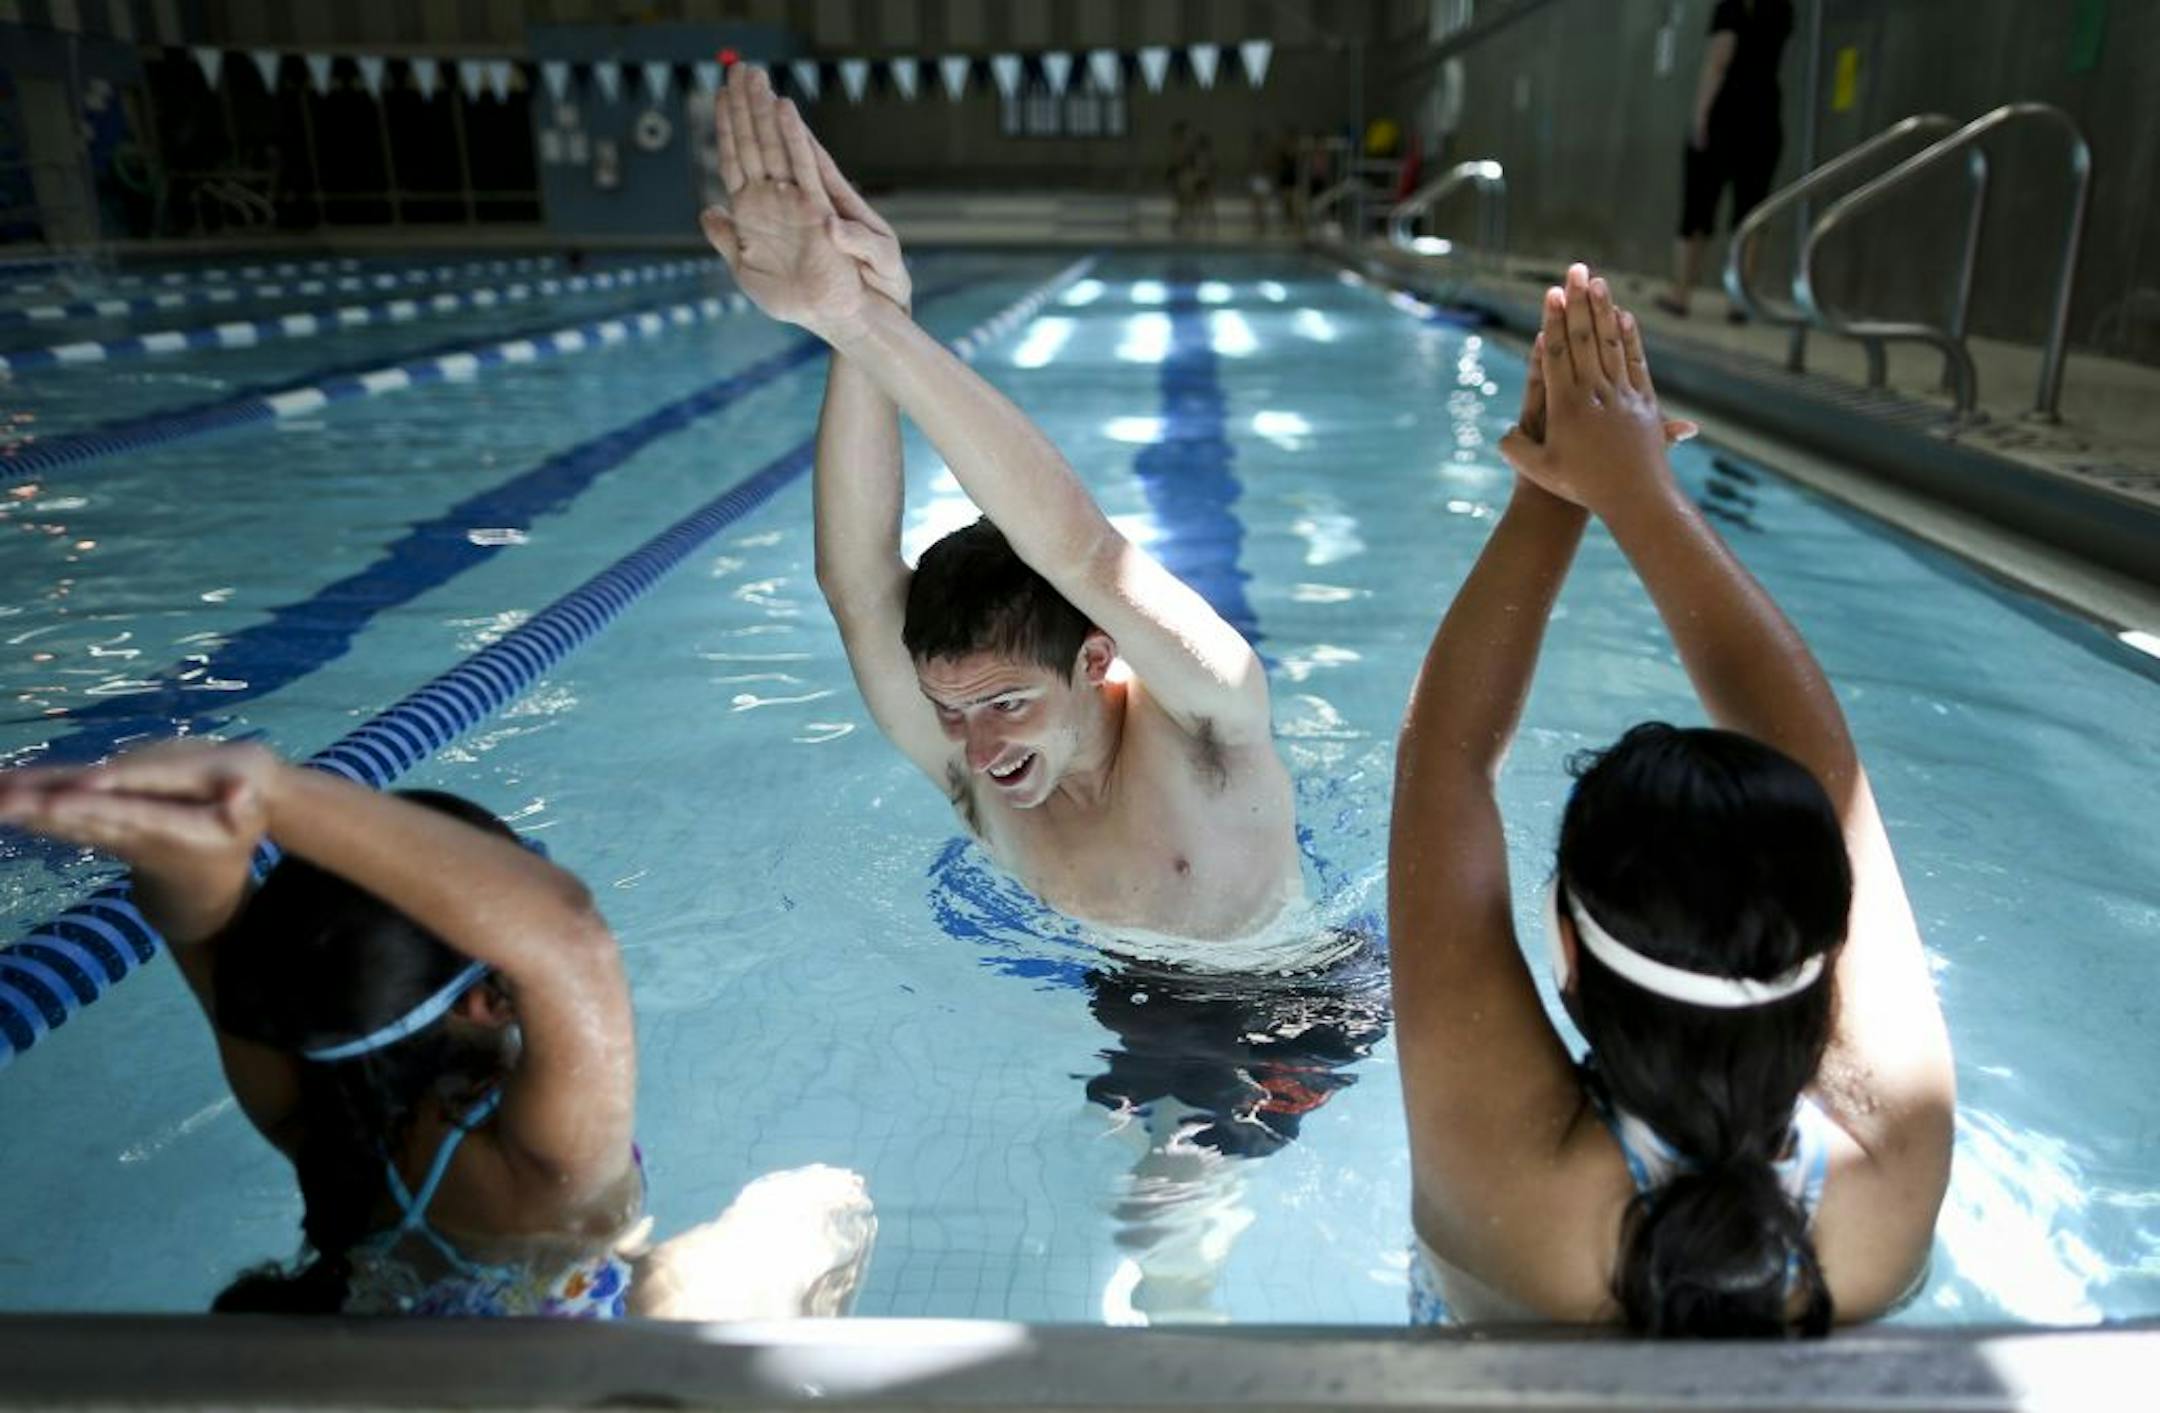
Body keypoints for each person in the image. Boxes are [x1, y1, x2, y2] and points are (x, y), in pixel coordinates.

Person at [1389, 265, 1954, 1333]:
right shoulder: (1899, 1156)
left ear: (1565, 945)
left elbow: (1446, 758)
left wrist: (1559, 490)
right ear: (1830, 953)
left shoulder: (1509, 1177)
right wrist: (1638, 493)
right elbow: (1820, 762)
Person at [700, 67, 1301, 942]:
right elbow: (857, 583)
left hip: (1292, 1019)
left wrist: (873, 327)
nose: (977, 751)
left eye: (1008, 702)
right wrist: (851, 317)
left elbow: (1085, 555)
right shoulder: (971, 759)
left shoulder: (1209, 721)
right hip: (1120, 1008)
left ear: (1098, 659)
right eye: (954, 711)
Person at [0, 742, 873, 1319]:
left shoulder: (316, 1119)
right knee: (823, 1203)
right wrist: (271, 787)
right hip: (574, 1377)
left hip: (391, 1353)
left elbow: (197, 922)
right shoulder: (545, 1170)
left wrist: (185, 846)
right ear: (490, 998)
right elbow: (570, 935)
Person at [1659, 0, 1795, 320]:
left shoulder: (1732, 7)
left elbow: (1719, 60)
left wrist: (1700, 117)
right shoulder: (1782, 8)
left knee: (1697, 208)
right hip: (1765, 114)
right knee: (1750, 214)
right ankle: (1739, 301)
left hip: (1726, 114)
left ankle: (1681, 293)